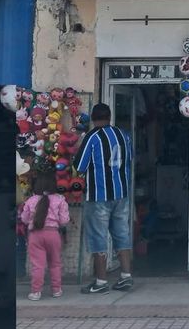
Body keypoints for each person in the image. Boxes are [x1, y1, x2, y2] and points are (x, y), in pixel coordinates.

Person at [74, 103, 134, 294]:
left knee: (98, 237)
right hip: (121, 193)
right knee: (122, 234)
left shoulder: (92, 137)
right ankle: (126, 277)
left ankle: (100, 282)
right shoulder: (123, 135)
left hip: (98, 195)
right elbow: (130, 159)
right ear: (109, 116)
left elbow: (80, 166)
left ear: (93, 118)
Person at [20, 171, 70, 301]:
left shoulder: (31, 200)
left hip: (35, 235)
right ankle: (56, 290)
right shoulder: (60, 200)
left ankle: (36, 292)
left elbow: (24, 219)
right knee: (55, 263)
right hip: (53, 234)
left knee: (38, 265)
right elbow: (64, 220)